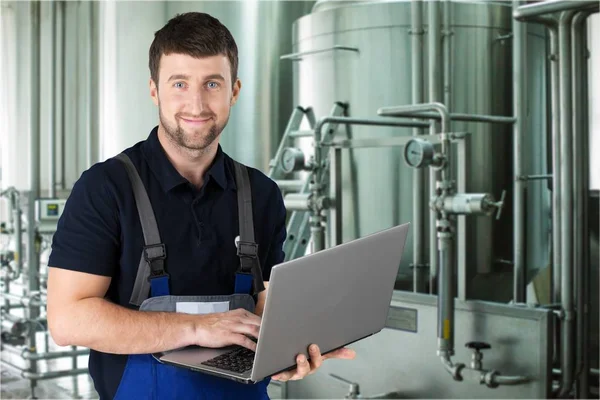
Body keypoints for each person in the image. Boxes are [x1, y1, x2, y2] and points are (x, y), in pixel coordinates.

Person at [46, 11, 355, 400]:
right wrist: (196, 328)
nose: (196, 103)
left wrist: (289, 351)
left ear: (235, 91)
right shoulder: (106, 188)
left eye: (212, 83)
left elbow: (266, 307)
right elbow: (67, 319)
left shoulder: (262, 194)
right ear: (154, 90)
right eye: (179, 83)